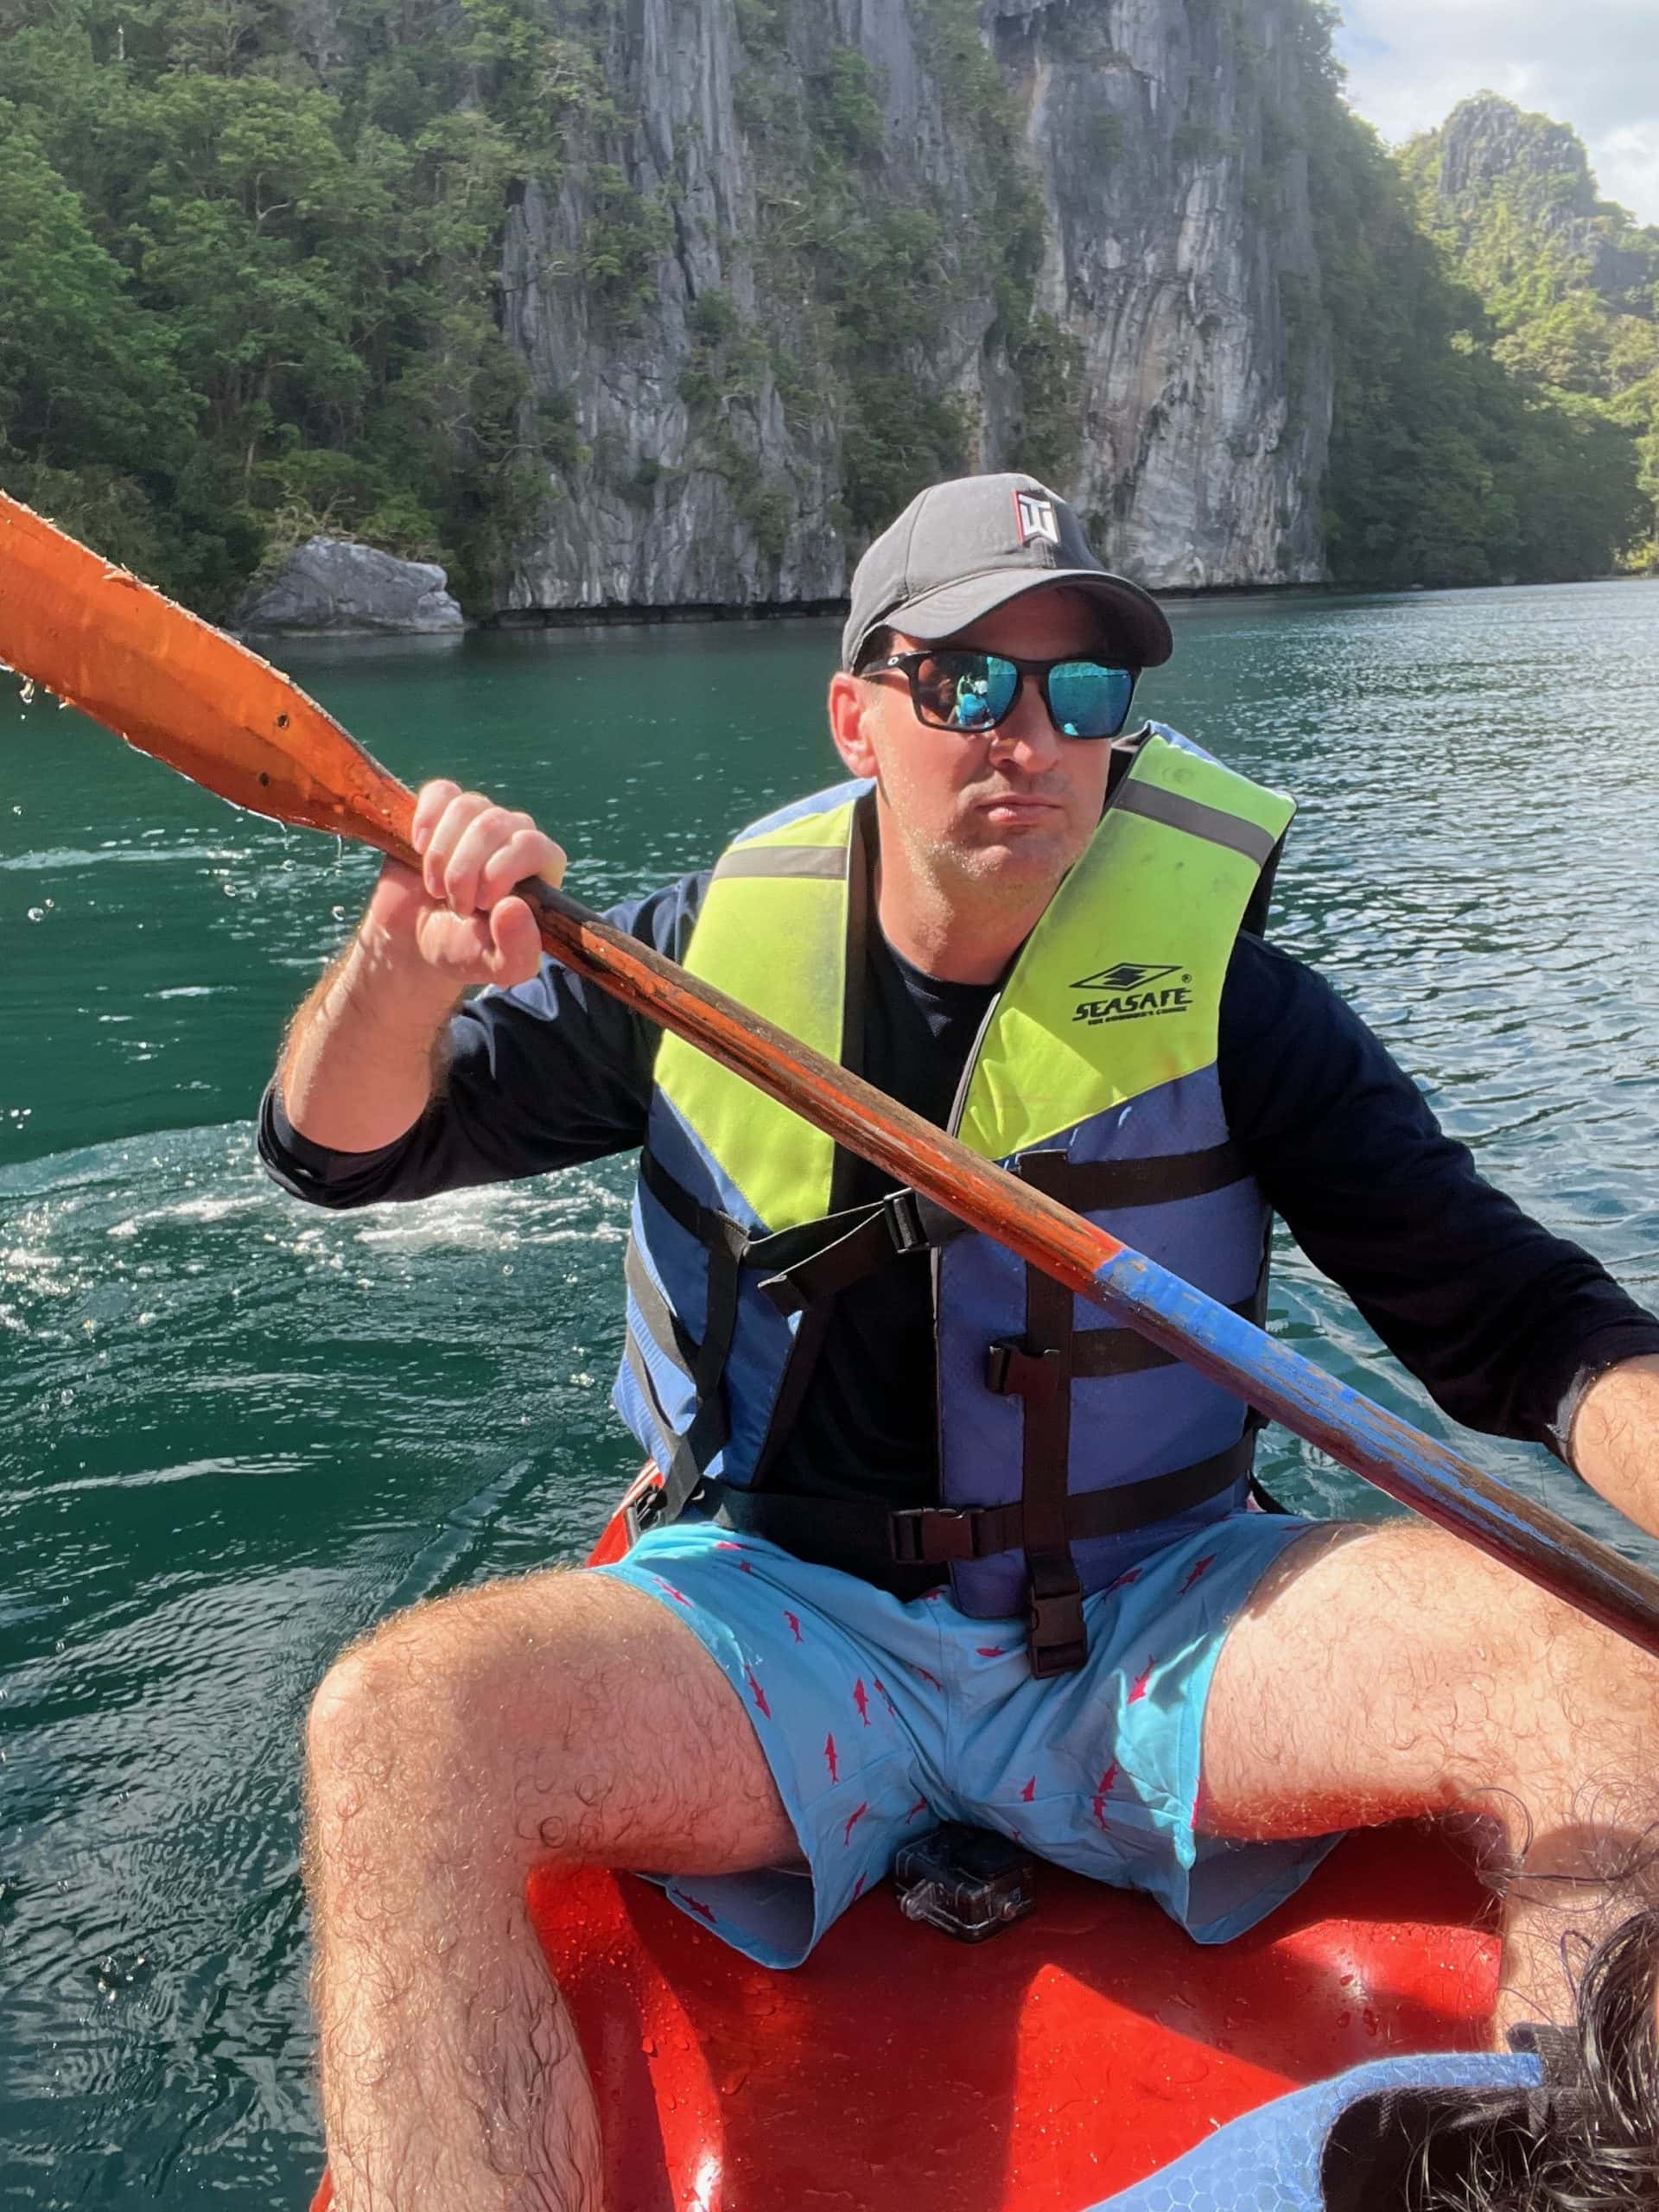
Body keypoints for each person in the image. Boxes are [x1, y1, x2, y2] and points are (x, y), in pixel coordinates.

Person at [263, 472, 1659, 2212]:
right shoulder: (689, 963)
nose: (1029, 735)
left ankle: (1580, 2164)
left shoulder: (1234, 998)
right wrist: (402, 964)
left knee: (1601, 1665)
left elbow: (1531, 1328)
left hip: (1155, 1616)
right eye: (966, 682)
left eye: (1081, 693)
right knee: (397, 1725)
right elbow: (342, 1147)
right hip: (782, 1622)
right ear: (858, 713)